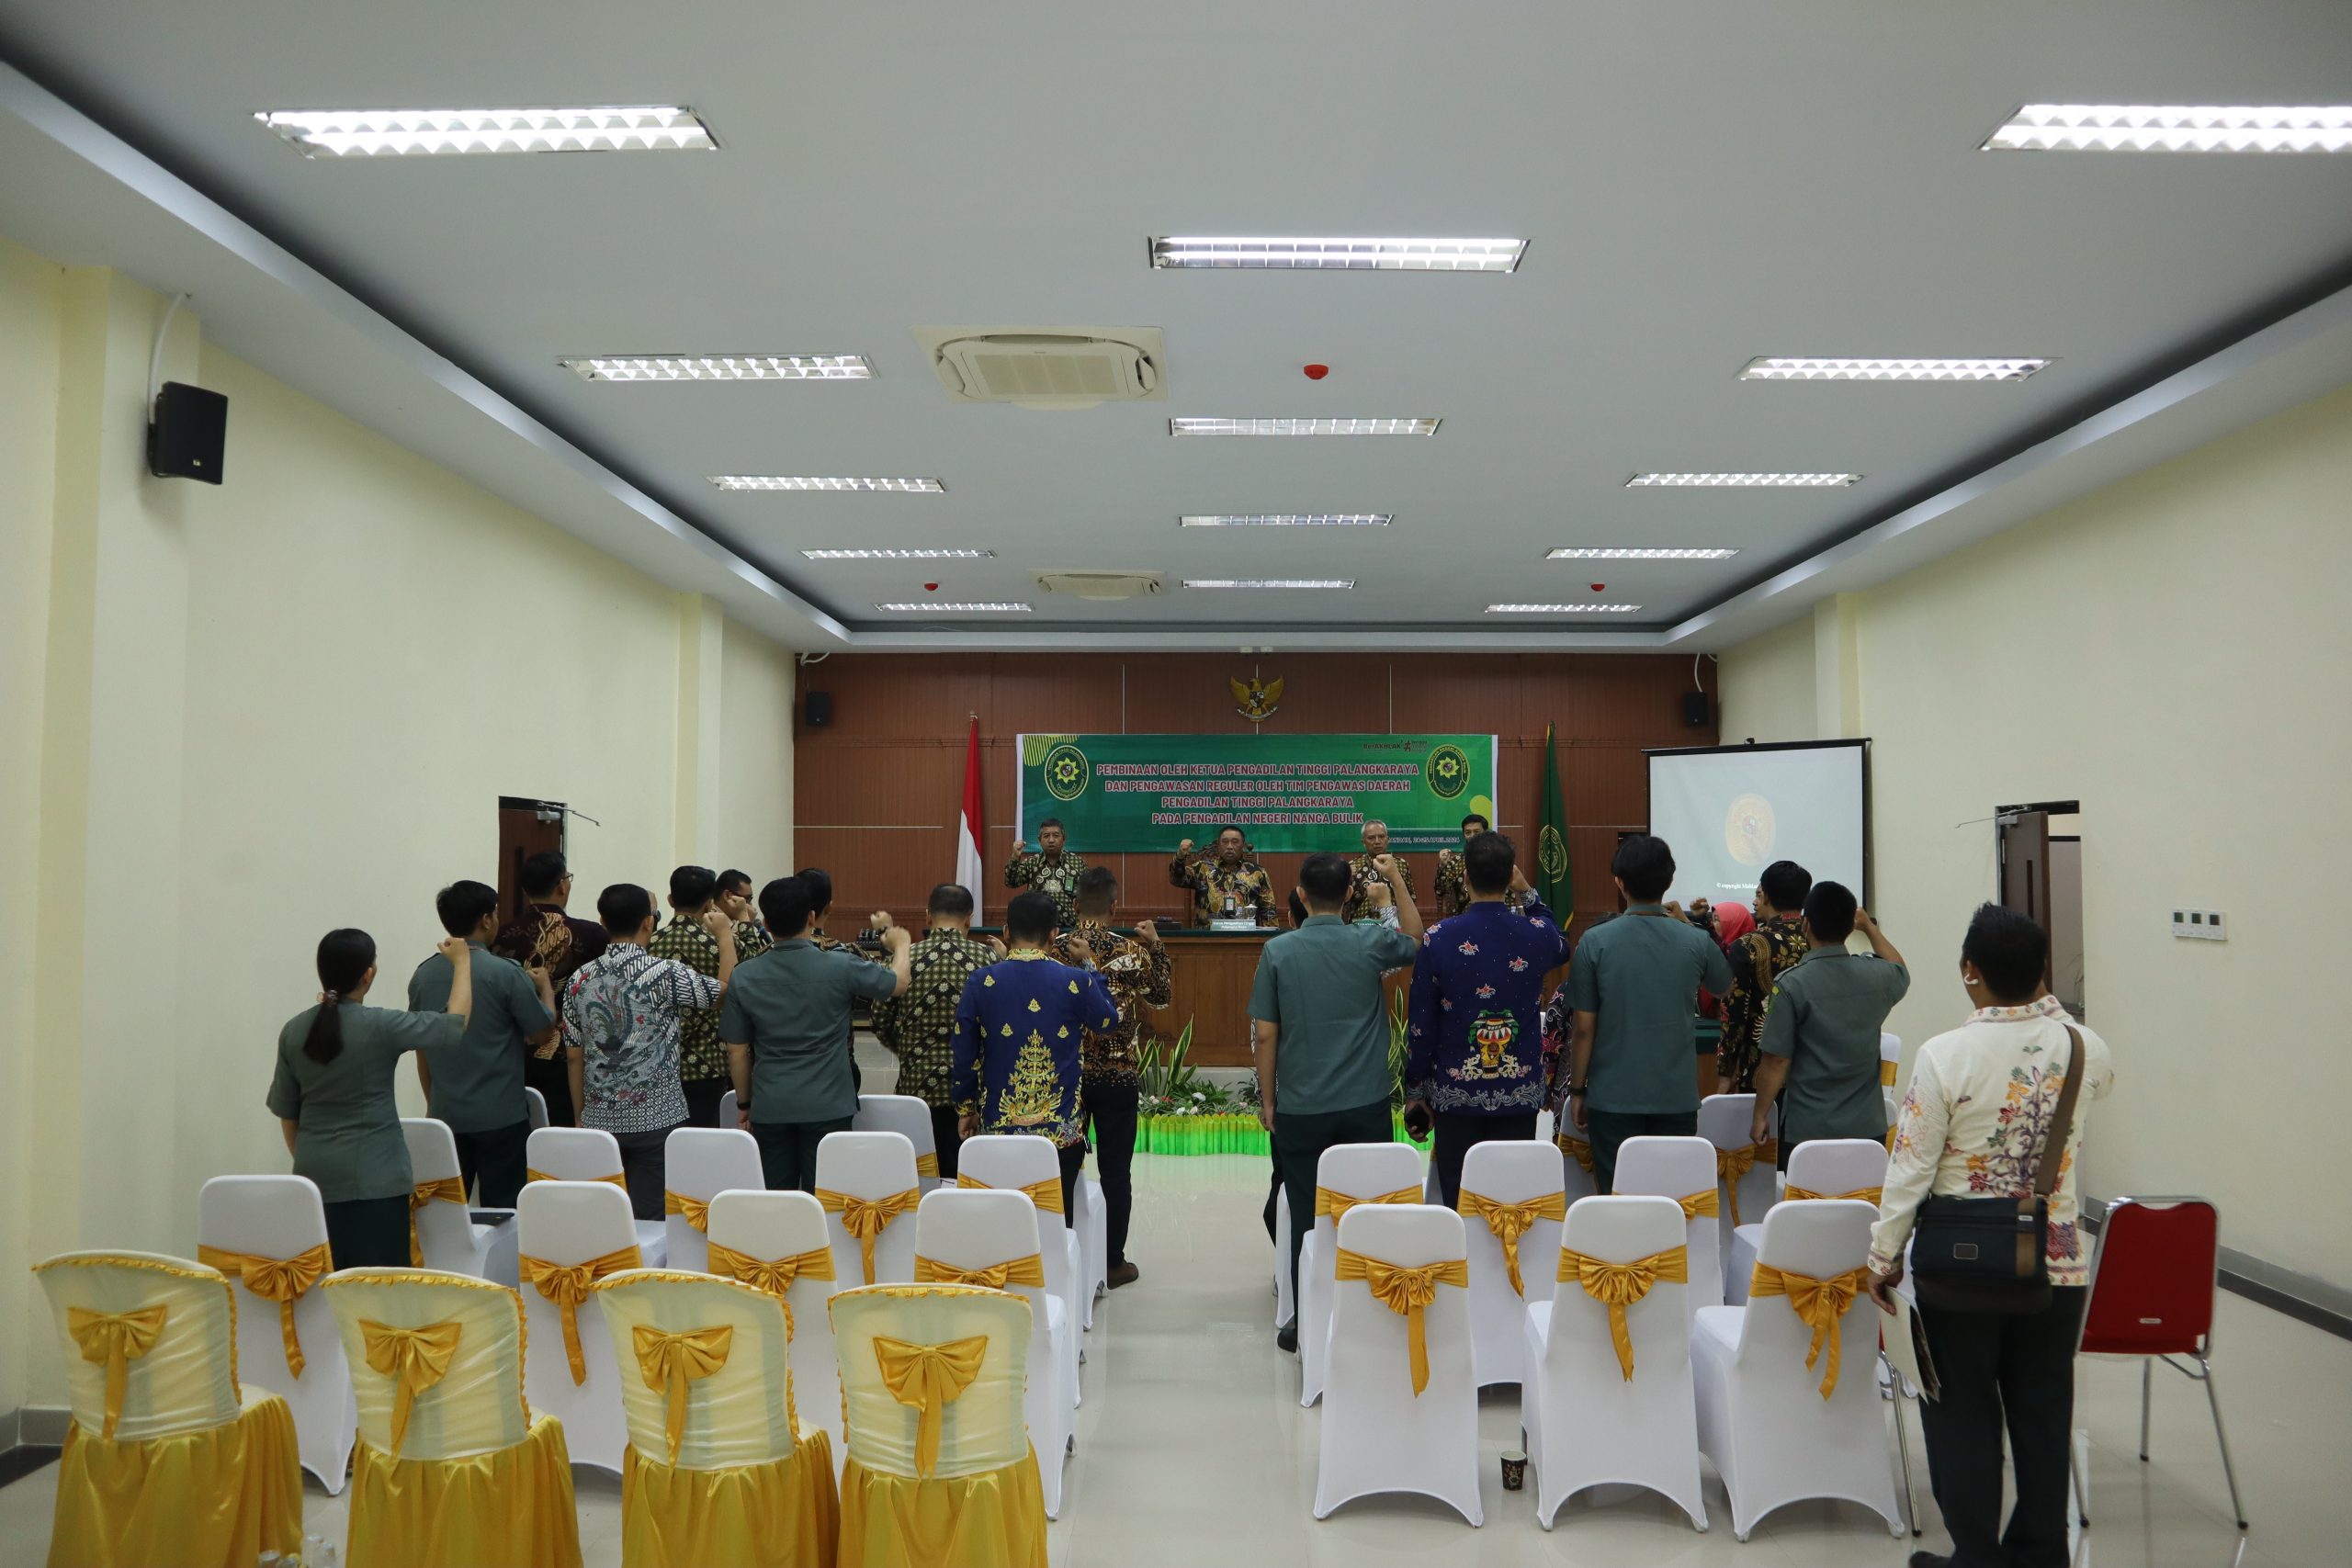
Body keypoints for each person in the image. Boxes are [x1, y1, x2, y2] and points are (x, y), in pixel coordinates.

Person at [1866, 905, 2114, 1568]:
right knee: (2043, 1407)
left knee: (1962, 1412)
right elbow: (2097, 1082)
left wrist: (1882, 1257)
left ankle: (1975, 1553)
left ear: (1969, 970)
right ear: (2040, 973)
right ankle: (2040, 1551)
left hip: (1961, 1265)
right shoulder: (2087, 1048)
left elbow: (1911, 1166)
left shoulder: (1945, 1054)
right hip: (2055, 1264)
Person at [1250, 852, 1422, 1351]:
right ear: (1350, 894)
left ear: (1301, 896)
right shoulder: (1369, 939)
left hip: (1301, 1108)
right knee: (1369, 1210)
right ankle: (1372, 1319)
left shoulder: (1278, 951)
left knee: (1308, 1218)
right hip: (1365, 1106)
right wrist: (1393, 882)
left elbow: (1265, 1035)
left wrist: (1269, 1101)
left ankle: (1308, 1323)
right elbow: (1415, 940)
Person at [270, 929, 472, 1269]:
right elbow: (454, 1025)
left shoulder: (294, 1030)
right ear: (368, 974)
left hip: (314, 1177)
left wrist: (314, 1157)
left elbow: (288, 1115)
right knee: (380, 1296)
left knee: (327, 1293)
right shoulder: (380, 1025)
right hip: (378, 1182)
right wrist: (463, 962)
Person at [1557, 835, 1734, 1194]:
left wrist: (1577, 1089)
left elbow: (1585, 1029)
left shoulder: (1595, 941)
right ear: (1669, 881)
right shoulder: (1695, 940)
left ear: (1619, 883)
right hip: (1676, 1097)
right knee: (1672, 1201)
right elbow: (1725, 986)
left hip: (1612, 1098)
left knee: (1618, 1200)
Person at [1405, 834, 1571, 1208]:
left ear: (1465, 877)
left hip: (1455, 1095)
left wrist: (1416, 1090)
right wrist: (1527, 892)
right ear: (1510, 876)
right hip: (1518, 1095)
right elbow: (1560, 941)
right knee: (1511, 1201)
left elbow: (1421, 1026)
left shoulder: (1438, 938)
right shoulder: (1535, 935)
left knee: (1459, 1200)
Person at [723, 876, 911, 1191]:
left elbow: (737, 1051)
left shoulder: (744, 975)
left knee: (775, 1198)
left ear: (766, 923)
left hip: (772, 1103)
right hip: (829, 1103)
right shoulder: (840, 965)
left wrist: (745, 1102)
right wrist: (902, 944)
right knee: (826, 1199)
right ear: (811, 917)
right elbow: (899, 984)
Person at [562, 883, 735, 1218]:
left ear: (602, 920)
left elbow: (573, 1055)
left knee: (606, 1215)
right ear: (648, 922)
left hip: (599, 1120)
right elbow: (724, 994)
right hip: (658, 1117)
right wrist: (725, 937)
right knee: (653, 1217)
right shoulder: (664, 973)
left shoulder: (578, 980)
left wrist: (580, 1116)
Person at [954, 891, 1121, 1221]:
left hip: (999, 1132)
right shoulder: (1076, 980)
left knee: (1002, 1224)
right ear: (1053, 934)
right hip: (1060, 1136)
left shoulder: (982, 981)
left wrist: (965, 1108)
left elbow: (964, 1052)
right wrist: (1090, 965)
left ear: (1006, 932)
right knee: (1058, 1225)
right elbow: (1107, 1021)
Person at [1050, 866, 1172, 1289]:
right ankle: (1112, 1262)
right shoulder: (1132, 951)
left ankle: (1060, 1255)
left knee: (1064, 1167)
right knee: (1116, 1172)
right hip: (1118, 1075)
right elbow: (1160, 997)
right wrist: (1156, 947)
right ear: (1115, 905)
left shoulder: (1056, 950)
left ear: (1077, 904)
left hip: (1067, 1078)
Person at [409, 879, 556, 1207]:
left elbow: (422, 1049)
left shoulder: (423, 975)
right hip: (501, 1117)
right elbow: (543, 1033)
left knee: (448, 1214)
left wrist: (434, 1104)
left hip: (445, 1117)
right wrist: (546, 990)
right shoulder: (505, 973)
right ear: (486, 920)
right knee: (504, 1212)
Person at [1750, 884, 1910, 1163]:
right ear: (1851, 926)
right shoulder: (1877, 976)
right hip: (1867, 1129)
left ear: (1806, 924)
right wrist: (1870, 928)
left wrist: (1760, 1115)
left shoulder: (1791, 984)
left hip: (1809, 1130)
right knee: (1861, 1204)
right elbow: (1899, 967)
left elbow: (1776, 1061)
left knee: (1809, 1205)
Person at [869, 883, 1001, 1179]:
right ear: (969, 919)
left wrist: (908, 1049)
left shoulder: (904, 959)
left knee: (918, 1185)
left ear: (928, 916)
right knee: (966, 1183)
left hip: (916, 1092)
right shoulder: (989, 961)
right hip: (972, 1099)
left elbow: (879, 1020)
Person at [492, 850, 606, 1126]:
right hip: (575, 1057)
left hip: (513, 1055)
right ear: (561, 885)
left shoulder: (503, 934)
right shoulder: (592, 935)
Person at [650, 864, 767, 1129]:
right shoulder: (721, 942)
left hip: (658, 1064)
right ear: (709, 903)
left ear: (670, 899)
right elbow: (756, 964)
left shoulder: (650, 944)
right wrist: (744, 920)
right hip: (709, 1064)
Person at [1717, 859, 1813, 1093]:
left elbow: (1734, 1015)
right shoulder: (1821, 941)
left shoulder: (1747, 945)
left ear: (1766, 896)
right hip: (1814, 1070)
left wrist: (1725, 1071)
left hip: (1761, 1068)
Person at [1168, 827, 1277, 926]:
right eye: (1225, 842)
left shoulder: (1257, 872)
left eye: (1235, 842)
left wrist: (1269, 938)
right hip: (1207, 938)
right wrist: (1180, 857)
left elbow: (1269, 910)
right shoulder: (1203, 868)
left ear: (1243, 846)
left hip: (1246, 938)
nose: (1229, 846)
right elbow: (1176, 879)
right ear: (1218, 847)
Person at [1433, 812, 1522, 918]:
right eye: (1468, 832)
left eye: (1477, 832)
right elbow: (1441, 890)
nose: (1472, 836)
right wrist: (1443, 866)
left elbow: (1511, 892)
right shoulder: (1456, 862)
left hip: (1499, 917)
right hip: (1464, 919)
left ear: (1485, 832)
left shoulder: (1498, 858)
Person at [1003, 818, 1089, 927]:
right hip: (1037, 929)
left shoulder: (1077, 863)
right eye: (1046, 836)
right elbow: (1011, 882)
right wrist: (1015, 856)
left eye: (1056, 836)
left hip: (1070, 930)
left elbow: (1088, 895)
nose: (1051, 840)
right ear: (1040, 840)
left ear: (1064, 839)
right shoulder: (1032, 862)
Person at [1341, 819, 1418, 923]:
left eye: (1381, 837)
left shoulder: (1401, 865)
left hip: (1394, 927)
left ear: (1388, 839)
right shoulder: (1353, 867)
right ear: (1363, 842)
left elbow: (1410, 898)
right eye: (1371, 838)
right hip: (1360, 930)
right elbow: (1342, 903)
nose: (1377, 841)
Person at [717, 869, 770, 947]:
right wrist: (747, 922)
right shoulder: (712, 919)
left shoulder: (734, 920)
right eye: (747, 899)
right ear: (727, 895)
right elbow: (743, 954)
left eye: (750, 899)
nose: (750, 904)